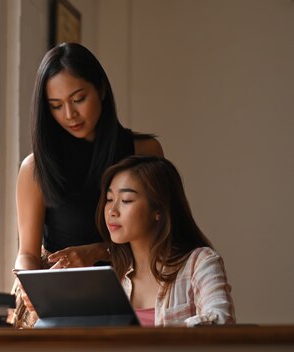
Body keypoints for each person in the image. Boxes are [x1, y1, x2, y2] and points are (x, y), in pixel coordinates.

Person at [12, 43, 163, 327]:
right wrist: (28, 283)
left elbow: (160, 233)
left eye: (78, 98)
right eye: (56, 106)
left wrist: (95, 252)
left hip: (136, 290)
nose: (69, 114)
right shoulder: (35, 167)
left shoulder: (145, 152)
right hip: (60, 301)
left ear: (102, 89)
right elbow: (28, 252)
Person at [96, 155, 235, 326]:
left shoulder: (199, 263)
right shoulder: (111, 277)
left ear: (158, 209)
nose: (112, 211)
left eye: (126, 200)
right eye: (109, 199)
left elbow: (222, 322)